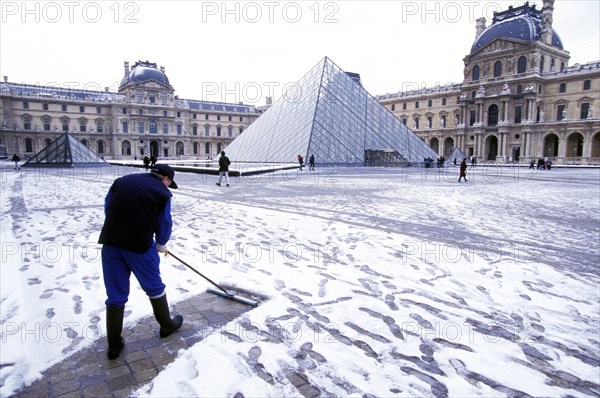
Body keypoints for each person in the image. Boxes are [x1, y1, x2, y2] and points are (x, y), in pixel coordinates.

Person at [98, 164, 182, 360]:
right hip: (140, 247)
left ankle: (113, 344)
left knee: (115, 294)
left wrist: (120, 227)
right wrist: (161, 243)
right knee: (154, 287)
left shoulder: (122, 181)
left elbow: (108, 206)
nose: (169, 187)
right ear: (165, 179)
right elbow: (165, 222)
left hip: (111, 243)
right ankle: (166, 325)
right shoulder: (162, 193)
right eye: (169, 183)